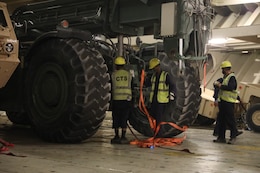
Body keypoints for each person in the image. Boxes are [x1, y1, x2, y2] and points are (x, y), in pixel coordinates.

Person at [213, 60, 242, 144]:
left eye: (222, 69)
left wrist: (220, 86)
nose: (222, 71)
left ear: (225, 69)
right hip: (223, 102)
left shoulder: (232, 77)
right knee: (221, 120)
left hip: (228, 102)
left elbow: (231, 87)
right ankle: (221, 137)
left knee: (230, 120)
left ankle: (233, 136)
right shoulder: (225, 77)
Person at [146, 58, 176, 128]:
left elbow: (172, 85)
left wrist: (172, 93)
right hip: (154, 100)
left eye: (154, 68)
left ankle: (158, 134)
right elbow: (148, 84)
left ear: (158, 66)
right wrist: (145, 78)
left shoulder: (165, 75)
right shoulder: (154, 76)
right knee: (152, 118)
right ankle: (154, 132)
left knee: (159, 119)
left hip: (161, 101)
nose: (153, 69)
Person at [111, 56, 132, 144]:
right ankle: (123, 137)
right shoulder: (128, 75)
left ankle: (116, 136)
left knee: (116, 118)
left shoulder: (113, 75)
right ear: (124, 65)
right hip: (126, 100)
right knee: (124, 118)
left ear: (116, 65)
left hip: (116, 99)